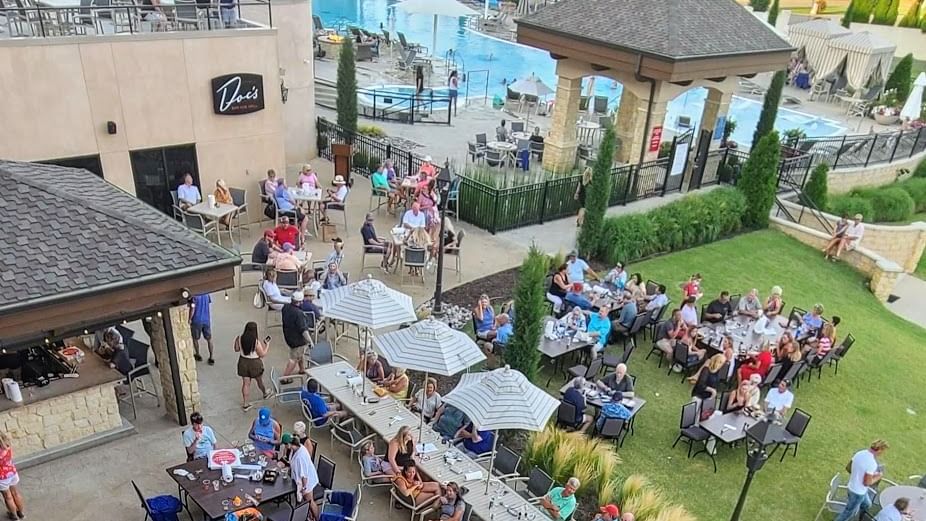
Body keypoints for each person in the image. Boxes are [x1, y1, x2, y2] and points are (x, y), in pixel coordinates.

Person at [834, 440, 888, 521]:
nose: (882, 454)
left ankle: (860, 518)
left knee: (867, 504)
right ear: (880, 450)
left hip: (851, 486)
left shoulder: (860, 453)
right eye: (883, 451)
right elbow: (867, 482)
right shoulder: (872, 463)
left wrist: (859, 474)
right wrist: (878, 476)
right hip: (858, 493)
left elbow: (848, 468)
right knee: (847, 514)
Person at [234, 322, 273, 410]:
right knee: (259, 381)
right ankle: (265, 393)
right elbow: (262, 354)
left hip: (243, 362)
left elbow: (236, 349)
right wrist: (267, 345)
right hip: (254, 363)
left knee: (246, 384)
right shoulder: (256, 342)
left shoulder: (239, 338)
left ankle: (245, 403)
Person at [289, 435, 321, 521]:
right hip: (302, 480)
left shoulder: (300, 457)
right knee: (307, 502)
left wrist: (304, 488)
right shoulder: (298, 448)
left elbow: (304, 476)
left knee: (310, 501)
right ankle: (310, 517)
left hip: (307, 482)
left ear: (291, 444)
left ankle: (317, 518)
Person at [281, 292, 312, 377]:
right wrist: (310, 341)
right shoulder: (298, 314)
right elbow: (304, 330)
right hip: (297, 340)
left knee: (299, 354)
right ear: (299, 301)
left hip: (288, 336)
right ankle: (285, 377)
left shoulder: (285, 307)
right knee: (294, 358)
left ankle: (302, 369)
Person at [0, 433, 25, 521]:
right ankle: (21, 513)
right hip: (12, 472)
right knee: (16, 493)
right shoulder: (7, 444)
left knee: (8, 496)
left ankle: (14, 516)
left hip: (2, 477)